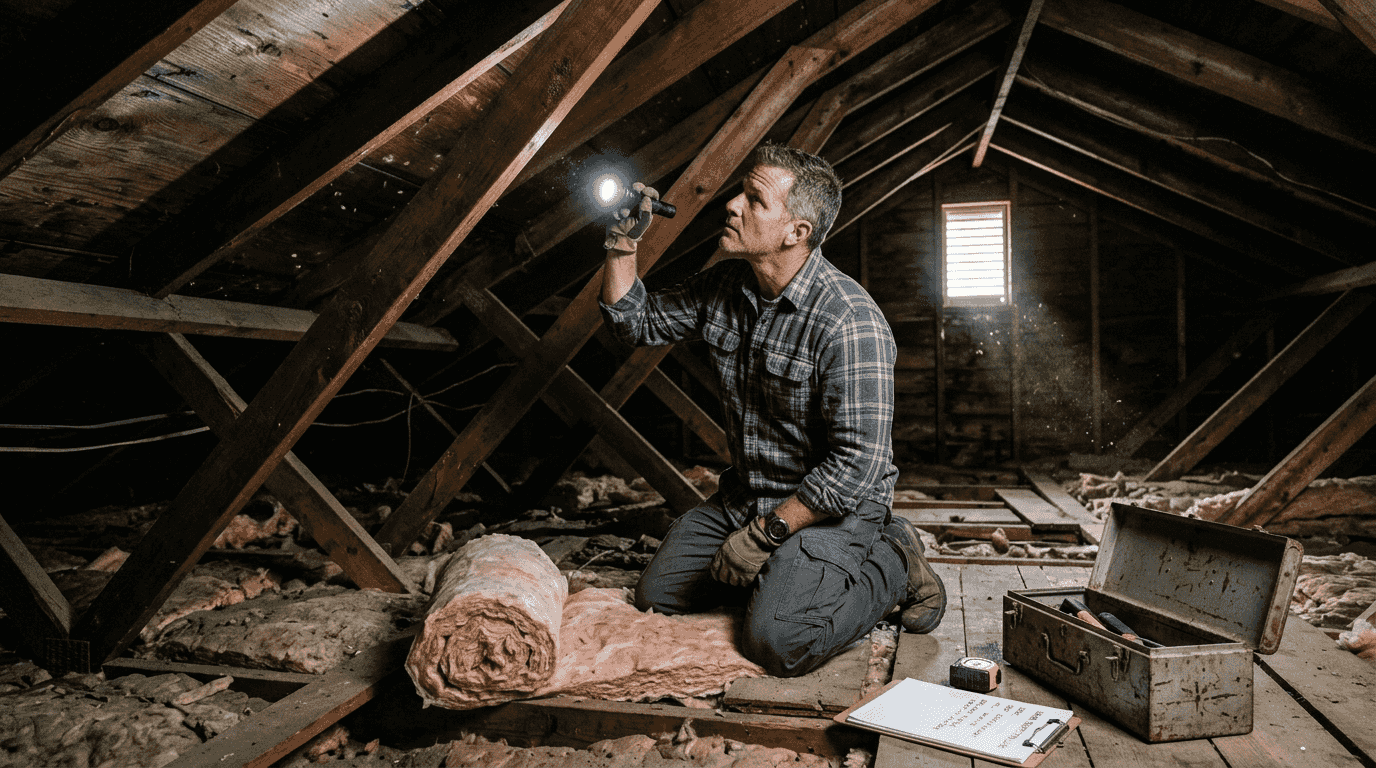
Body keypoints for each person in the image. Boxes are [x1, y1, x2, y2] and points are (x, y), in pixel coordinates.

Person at [596, 145, 946, 677]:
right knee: (657, 596)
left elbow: (857, 468)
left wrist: (765, 537)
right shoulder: (724, 286)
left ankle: (894, 561)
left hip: (835, 509)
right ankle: (789, 578)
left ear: (796, 232)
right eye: (742, 192)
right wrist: (623, 243)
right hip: (748, 495)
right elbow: (634, 323)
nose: (733, 205)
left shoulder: (849, 322)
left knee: (779, 643)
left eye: (754, 200)